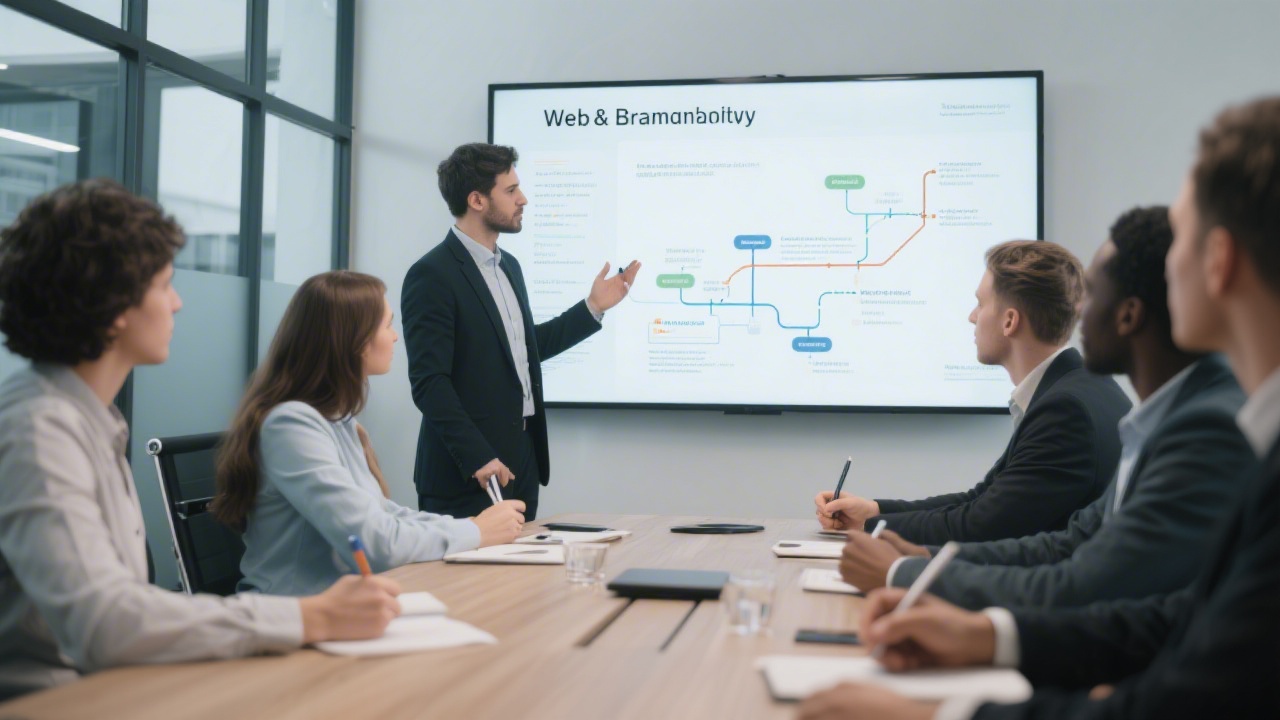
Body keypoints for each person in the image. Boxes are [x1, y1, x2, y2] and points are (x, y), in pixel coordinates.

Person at [798, 95, 1280, 720]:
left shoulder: (1212, 427)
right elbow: (1180, 618)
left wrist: (935, 706)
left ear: (1219, 261)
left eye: (1182, 238)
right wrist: (988, 633)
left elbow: (1180, 685)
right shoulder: (1211, 421)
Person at [0, 180, 401, 700]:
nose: (178, 302)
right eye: (164, 284)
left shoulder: (85, 422)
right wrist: (306, 617)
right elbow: (104, 623)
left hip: (112, 688)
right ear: (118, 305)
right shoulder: (39, 430)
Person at [837, 207, 1255, 604]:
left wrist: (902, 566)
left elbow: (1000, 534)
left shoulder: (1091, 410)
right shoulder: (1127, 410)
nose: (1078, 314)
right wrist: (893, 530)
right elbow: (1059, 537)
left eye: (1093, 296)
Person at [214, 271, 527, 596]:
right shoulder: (291, 426)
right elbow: (372, 541)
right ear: (355, 340)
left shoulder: (337, 420)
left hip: (343, 609)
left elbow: (384, 514)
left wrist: (473, 526)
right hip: (295, 620)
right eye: (387, 324)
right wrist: (475, 532)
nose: (395, 337)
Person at [815, 241, 1131, 544]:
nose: (972, 316)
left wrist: (872, 526)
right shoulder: (1077, 388)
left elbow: (981, 526)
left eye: (980, 303)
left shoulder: (1066, 409)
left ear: (1010, 321)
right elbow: (981, 501)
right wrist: (874, 511)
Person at [403, 143, 641, 519]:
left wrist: (592, 308)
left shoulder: (508, 266)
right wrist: (478, 456)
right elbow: (429, 382)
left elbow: (523, 351)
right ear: (477, 200)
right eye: (511, 191)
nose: (523, 199)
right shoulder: (432, 275)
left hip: (520, 462)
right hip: (468, 473)